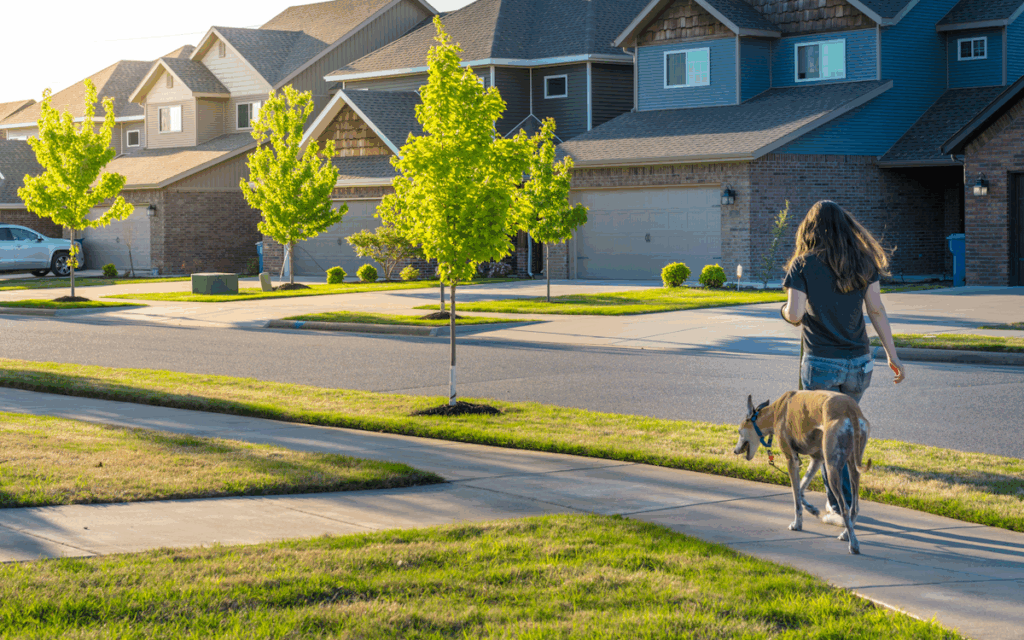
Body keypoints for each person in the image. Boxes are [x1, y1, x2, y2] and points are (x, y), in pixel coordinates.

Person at [780, 200, 905, 526]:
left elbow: (794, 314)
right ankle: (842, 502)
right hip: (860, 366)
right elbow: (876, 310)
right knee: (842, 435)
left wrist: (783, 311)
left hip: (821, 363)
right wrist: (893, 356)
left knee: (827, 440)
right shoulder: (862, 260)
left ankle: (840, 506)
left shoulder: (802, 264)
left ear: (809, 229)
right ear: (847, 227)